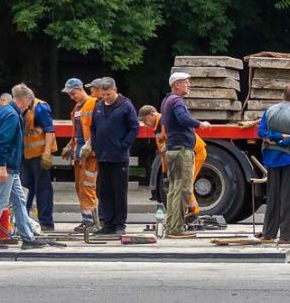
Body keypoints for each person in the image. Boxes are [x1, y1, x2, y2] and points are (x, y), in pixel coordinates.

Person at [0, 85, 49, 250]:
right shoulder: (11, 115)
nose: (29, 106)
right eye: (29, 103)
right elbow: (4, 141)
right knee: (0, 201)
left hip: (6, 165)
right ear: (24, 100)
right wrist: (3, 167)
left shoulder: (1, 111)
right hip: (7, 166)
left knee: (19, 200)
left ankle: (27, 238)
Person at [160, 72, 211, 238]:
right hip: (182, 151)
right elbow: (182, 118)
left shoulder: (166, 101)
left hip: (173, 149)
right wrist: (200, 124)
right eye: (186, 83)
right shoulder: (177, 101)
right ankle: (176, 229)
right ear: (177, 85)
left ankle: (171, 225)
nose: (189, 85)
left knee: (174, 190)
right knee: (183, 190)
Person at [256, 83, 290, 245]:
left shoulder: (269, 111)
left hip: (271, 158)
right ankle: (285, 236)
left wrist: (274, 137)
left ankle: (268, 233)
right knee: (289, 198)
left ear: (283, 95)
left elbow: (261, 132)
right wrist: (282, 138)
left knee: (273, 197)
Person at [90, 77, 139, 234]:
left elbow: (134, 128)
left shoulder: (126, 106)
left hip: (119, 157)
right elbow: (93, 128)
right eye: (103, 95)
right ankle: (107, 223)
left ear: (115, 90)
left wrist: (123, 145)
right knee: (104, 191)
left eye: (108, 94)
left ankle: (119, 224)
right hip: (102, 156)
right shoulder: (98, 107)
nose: (106, 97)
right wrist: (96, 146)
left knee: (119, 191)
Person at [139, 105, 206, 219]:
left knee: (185, 185)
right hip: (188, 153)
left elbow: (170, 148)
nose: (145, 124)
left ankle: (193, 213)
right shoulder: (158, 128)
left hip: (194, 152)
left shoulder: (165, 123)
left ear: (152, 114)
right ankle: (189, 212)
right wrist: (165, 173)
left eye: (145, 120)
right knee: (183, 185)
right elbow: (163, 153)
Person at [62, 78, 99, 232]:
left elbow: (96, 127)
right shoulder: (77, 107)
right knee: (80, 186)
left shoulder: (93, 103)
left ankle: (94, 220)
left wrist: (89, 144)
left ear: (80, 88)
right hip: (79, 154)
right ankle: (86, 218)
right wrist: (71, 145)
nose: (72, 97)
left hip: (90, 154)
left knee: (89, 186)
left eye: (73, 93)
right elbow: (77, 130)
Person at [19, 91, 56, 231]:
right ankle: (22, 219)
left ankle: (46, 222)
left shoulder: (40, 108)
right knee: (26, 187)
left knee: (43, 187)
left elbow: (49, 131)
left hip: (40, 155)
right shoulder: (23, 108)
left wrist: (46, 153)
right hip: (28, 154)